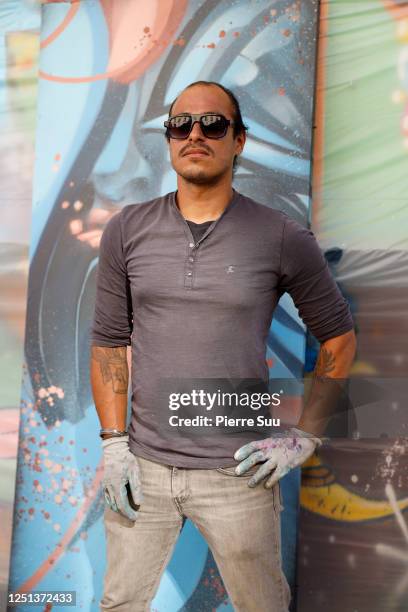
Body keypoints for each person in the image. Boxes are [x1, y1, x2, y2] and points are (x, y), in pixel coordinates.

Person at [90, 80, 357, 612]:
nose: (195, 134)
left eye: (213, 124)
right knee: (119, 605)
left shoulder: (280, 236)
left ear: (239, 140)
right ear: (167, 139)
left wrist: (306, 437)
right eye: (180, 124)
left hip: (237, 473)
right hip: (142, 467)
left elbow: (339, 339)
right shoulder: (127, 230)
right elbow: (108, 344)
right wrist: (113, 445)